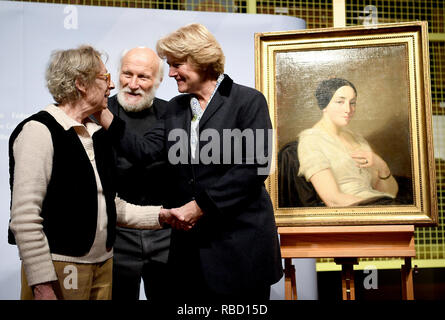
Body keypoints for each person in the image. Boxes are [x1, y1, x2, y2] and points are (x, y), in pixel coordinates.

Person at [94, 23, 283, 300]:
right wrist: (102, 112)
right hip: (190, 253)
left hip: (239, 247)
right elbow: (144, 150)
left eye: (176, 64)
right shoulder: (175, 108)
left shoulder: (247, 101)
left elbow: (254, 167)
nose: (170, 73)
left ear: (201, 60)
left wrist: (201, 206)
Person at [8, 45, 117, 300]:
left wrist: (161, 215)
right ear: (81, 83)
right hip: (58, 269)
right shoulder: (38, 131)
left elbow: (106, 202)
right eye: (105, 78)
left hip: (103, 267)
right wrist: (43, 284)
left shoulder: (96, 132)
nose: (111, 87)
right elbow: (24, 218)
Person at [108, 47, 171, 300]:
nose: (133, 84)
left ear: (159, 80)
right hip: (115, 234)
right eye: (127, 74)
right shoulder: (98, 113)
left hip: (166, 232)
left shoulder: (175, 114)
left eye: (143, 77)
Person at [298, 77, 399, 207]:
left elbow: (390, 194)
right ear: (324, 104)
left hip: (382, 207)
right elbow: (333, 200)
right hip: (354, 214)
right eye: (340, 102)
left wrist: (382, 166)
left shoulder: (357, 139)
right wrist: (377, 208)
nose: (348, 109)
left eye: (352, 103)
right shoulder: (312, 141)